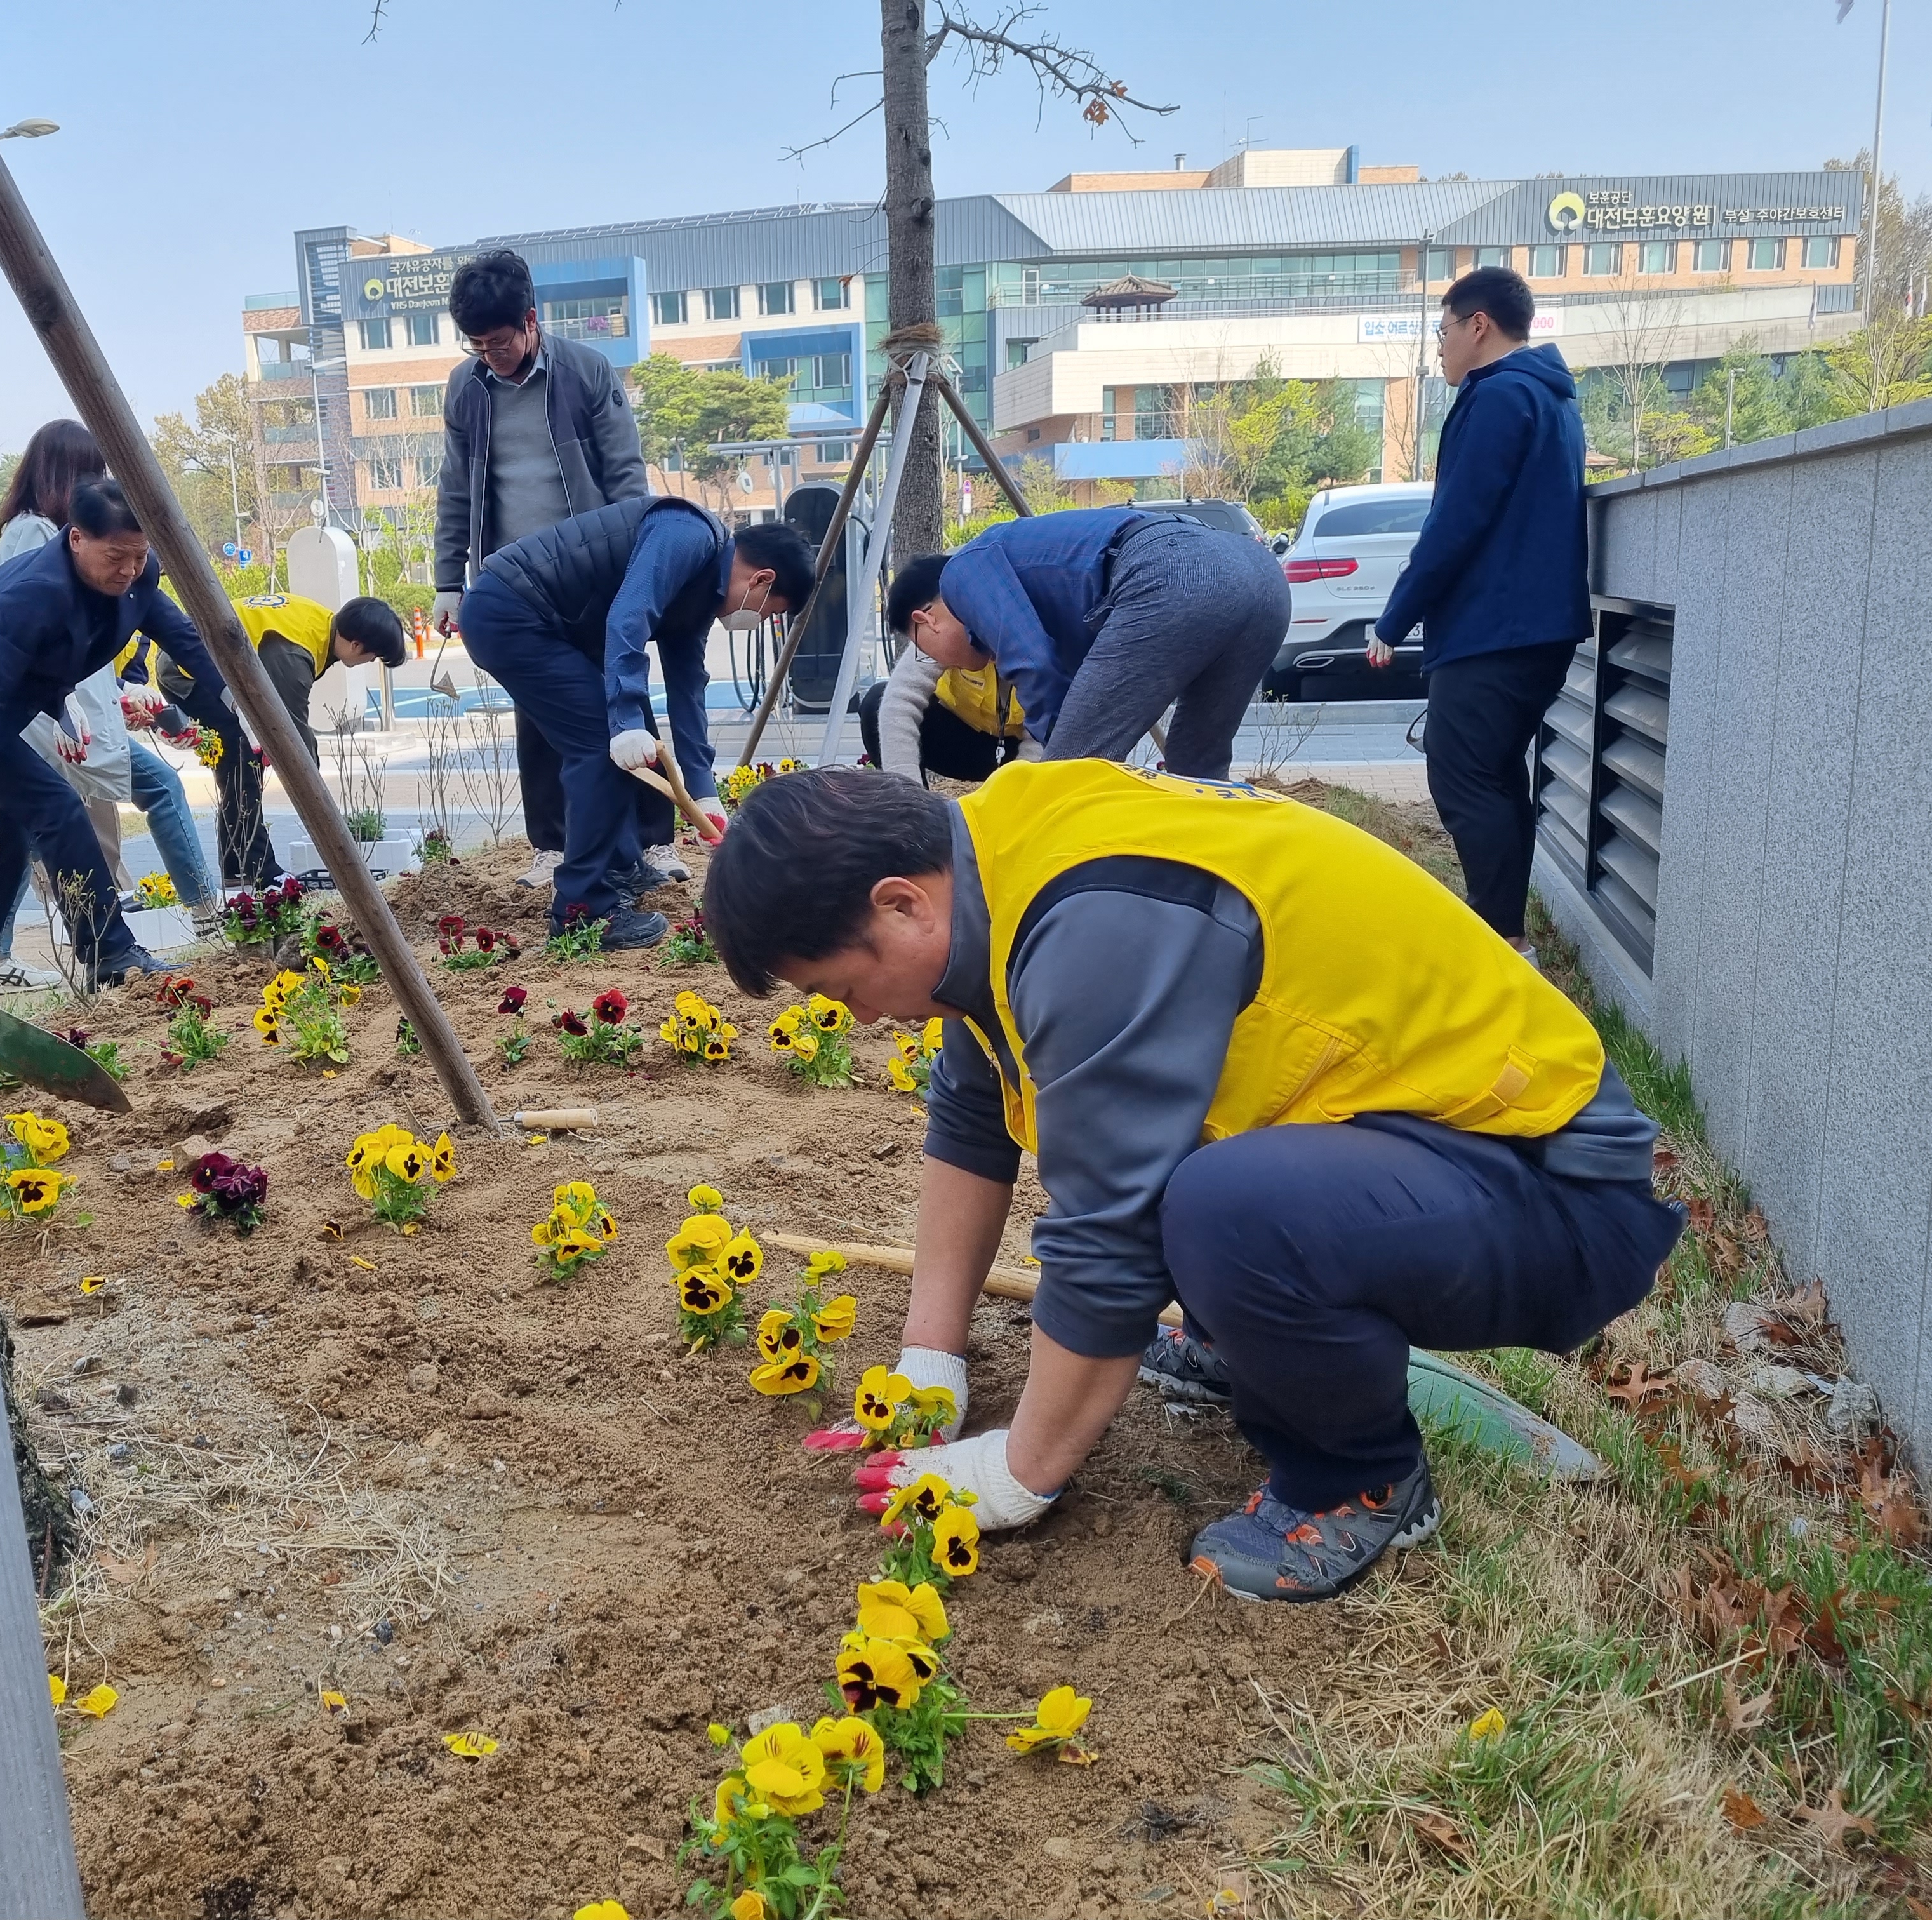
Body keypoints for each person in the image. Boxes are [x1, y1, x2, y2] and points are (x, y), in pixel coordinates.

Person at [702, 763, 1681, 1603]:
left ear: (900, 903)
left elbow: (1108, 1236)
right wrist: (930, 1360)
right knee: (1211, 1196)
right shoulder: (995, 855)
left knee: (1220, 1211)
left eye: (843, 990)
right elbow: (970, 1119)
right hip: (1425, 1150)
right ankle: (1249, 1334)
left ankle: (1360, 1479)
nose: (863, 1021)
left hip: (1557, 1188)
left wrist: (1016, 1475)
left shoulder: (1090, 920)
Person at [0, 477, 229, 991]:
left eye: (138, 556)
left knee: (7, 844)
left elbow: (184, 639)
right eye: (116, 556)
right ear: (75, 539)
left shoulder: (138, 575)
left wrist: (239, 706)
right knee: (56, 807)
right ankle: (109, 954)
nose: (129, 570)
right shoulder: (32, 593)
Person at [424, 249, 678, 887]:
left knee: (621, 695)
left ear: (531, 321)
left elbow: (625, 475)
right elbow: (456, 487)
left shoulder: (586, 372)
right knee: (537, 712)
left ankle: (655, 839)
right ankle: (551, 844)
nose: (490, 354)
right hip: (513, 583)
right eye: (475, 344)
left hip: (593, 574)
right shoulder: (467, 388)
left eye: (500, 340)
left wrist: (638, 563)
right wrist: (450, 581)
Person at [458, 498, 814, 947]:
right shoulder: (687, 534)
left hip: (544, 625)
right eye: (770, 610)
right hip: (512, 613)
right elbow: (629, 615)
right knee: (599, 746)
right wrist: (624, 719)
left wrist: (704, 793)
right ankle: (582, 911)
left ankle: (620, 867)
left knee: (620, 743)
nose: (762, 619)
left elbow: (688, 688)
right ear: (762, 580)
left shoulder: (701, 592)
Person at [1368, 266, 1588, 957]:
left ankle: (1501, 943)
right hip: (1534, 626)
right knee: (1493, 775)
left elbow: (1457, 521)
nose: (1440, 348)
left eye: (1443, 331)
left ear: (1478, 326)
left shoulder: (1498, 398)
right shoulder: (1550, 397)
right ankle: (1505, 931)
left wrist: (1394, 618)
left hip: (1495, 628)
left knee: (1463, 774)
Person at [0, 422, 221, 985]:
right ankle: (164, 930)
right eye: (89, 472)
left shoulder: (90, 544)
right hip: (41, 715)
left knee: (27, 826)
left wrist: (117, 693)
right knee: (59, 814)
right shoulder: (36, 538)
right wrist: (61, 708)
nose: (97, 483)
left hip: (70, 708)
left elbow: (148, 626)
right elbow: (31, 641)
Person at [883, 505, 1288, 779]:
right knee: (1199, 771)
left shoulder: (962, 571)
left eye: (920, 646)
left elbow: (1036, 669)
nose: (936, 662)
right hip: (1264, 576)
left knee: (1068, 778)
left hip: (1174, 568)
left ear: (926, 620)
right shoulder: (1038, 591)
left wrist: (1043, 768)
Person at [139, 588, 408, 887]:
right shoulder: (293, 652)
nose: (371, 663)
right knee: (243, 761)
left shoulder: (320, 623)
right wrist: (317, 798)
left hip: (205, 663)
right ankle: (260, 871)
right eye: (374, 656)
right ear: (356, 645)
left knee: (238, 764)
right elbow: (291, 734)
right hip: (186, 670)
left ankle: (236, 866)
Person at [860, 649, 1032, 785]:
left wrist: (1018, 791)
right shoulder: (948, 619)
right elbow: (900, 700)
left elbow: (1047, 731)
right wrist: (910, 804)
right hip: (963, 740)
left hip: (1023, 748)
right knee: (876, 702)